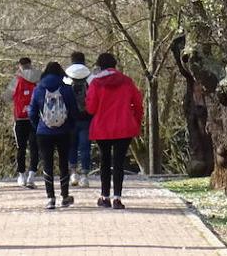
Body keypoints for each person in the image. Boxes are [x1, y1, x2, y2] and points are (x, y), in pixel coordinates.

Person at [85, 52, 143, 209]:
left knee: (105, 161)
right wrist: (136, 123)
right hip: (124, 127)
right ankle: (117, 197)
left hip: (102, 128)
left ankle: (105, 196)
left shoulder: (95, 83)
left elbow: (90, 108)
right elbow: (138, 104)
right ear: (115, 65)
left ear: (99, 66)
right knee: (119, 162)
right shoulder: (127, 81)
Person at [28, 61, 79, 209]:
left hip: (44, 132)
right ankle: (65, 196)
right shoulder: (66, 89)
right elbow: (73, 110)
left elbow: (32, 112)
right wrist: (70, 125)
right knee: (63, 163)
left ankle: (50, 198)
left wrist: (38, 125)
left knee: (47, 164)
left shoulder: (38, 89)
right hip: (63, 131)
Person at [4, 57, 40, 188]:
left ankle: (21, 175)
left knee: (21, 148)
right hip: (35, 118)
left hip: (20, 118)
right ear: (30, 65)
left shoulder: (16, 80)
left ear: (20, 66)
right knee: (35, 147)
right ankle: (32, 175)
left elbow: (6, 97)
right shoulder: (38, 79)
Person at [65, 51, 93, 187]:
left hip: (70, 118)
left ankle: (73, 173)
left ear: (72, 61)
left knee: (71, 146)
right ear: (84, 61)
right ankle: (85, 175)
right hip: (86, 118)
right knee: (85, 147)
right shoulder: (90, 76)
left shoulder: (66, 76)